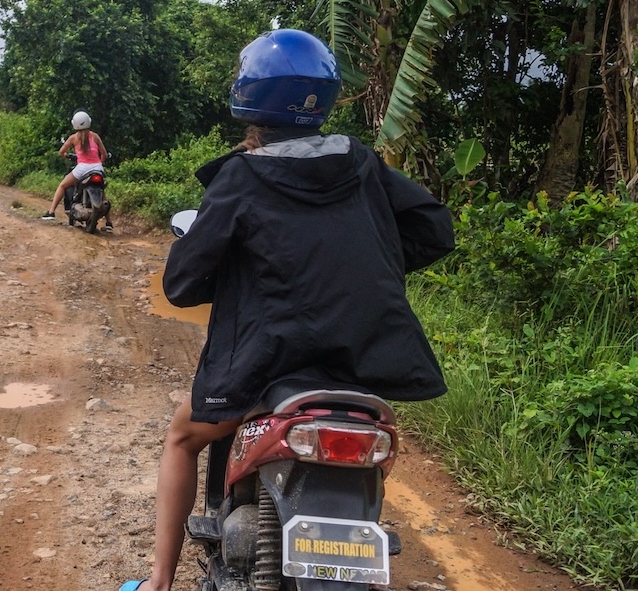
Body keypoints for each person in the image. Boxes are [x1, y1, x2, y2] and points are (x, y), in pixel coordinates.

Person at [121, 30, 455, 591]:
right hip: (361, 366)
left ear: (249, 96)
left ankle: (157, 582)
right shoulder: (364, 164)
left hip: (264, 367)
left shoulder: (241, 176)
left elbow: (179, 286)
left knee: (182, 437)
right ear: (323, 98)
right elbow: (435, 231)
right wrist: (374, 267)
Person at [41, 110, 113, 232]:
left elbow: (61, 152)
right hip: (97, 168)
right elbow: (104, 155)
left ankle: (51, 212)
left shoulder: (73, 138)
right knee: (101, 192)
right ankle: (109, 222)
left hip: (82, 168)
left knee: (63, 186)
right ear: (89, 122)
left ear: (75, 124)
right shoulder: (95, 136)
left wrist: (67, 156)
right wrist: (99, 162)